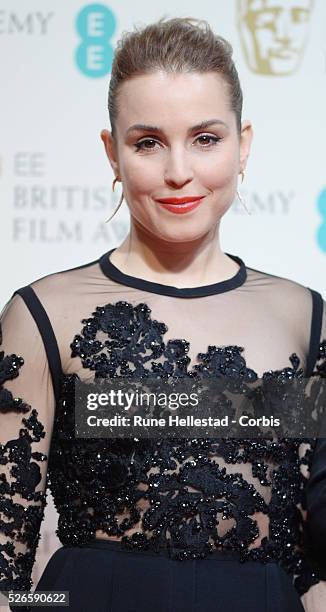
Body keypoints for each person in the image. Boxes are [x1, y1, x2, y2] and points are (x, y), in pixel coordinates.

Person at [0, 16, 325, 612]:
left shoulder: (305, 318)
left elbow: (312, 562)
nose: (179, 171)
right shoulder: (44, 313)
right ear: (112, 152)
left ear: (243, 143)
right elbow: (5, 566)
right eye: (148, 142)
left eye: (206, 138)